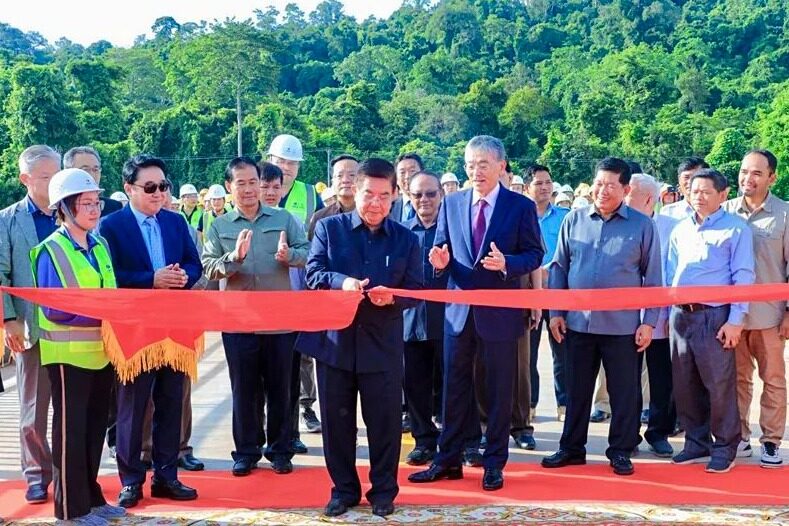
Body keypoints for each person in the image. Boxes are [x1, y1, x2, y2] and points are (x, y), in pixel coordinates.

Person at [409, 135, 544, 491]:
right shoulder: (451, 203)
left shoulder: (520, 206)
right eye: (470, 165)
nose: (476, 172)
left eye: (483, 164)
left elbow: (534, 254)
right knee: (453, 388)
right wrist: (439, 263)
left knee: (499, 389)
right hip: (458, 312)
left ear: (501, 166)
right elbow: (443, 249)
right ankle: (447, 459)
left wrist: (507, 264)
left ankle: (494, 462)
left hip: (500, 313)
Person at [299, 158, 421, 518]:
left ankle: (383, 490)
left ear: (395, 196)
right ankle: (344, 490)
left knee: (384, 424)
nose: (375, 203)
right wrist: (343, 283)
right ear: (356, 189)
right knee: (337, 424)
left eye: (384, 196)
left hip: (382, 344)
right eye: (369, 194)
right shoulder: (329, 229)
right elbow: (314, 274)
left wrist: (394, 296)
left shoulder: (406, 239)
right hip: (335, 343)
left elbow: (416, 289)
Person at [542, 157, 662, 477]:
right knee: (577, 388)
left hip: (623, 326)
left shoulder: (642, 225)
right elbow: (559, 268)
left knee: (624, 392)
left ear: (625, 189)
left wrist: (649, 322)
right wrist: (555, 312)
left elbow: (653, 278)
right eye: (598, 183)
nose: (602, 190)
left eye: (610, 185)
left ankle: (620, 450)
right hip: (578, 323)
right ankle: (571, 448)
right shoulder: (574, 220)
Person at [99, 154, 202, 508]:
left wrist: (183, 276)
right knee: (132, 408)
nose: (159, 193)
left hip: (174, 330)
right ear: (129, 189)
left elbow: (195, 262)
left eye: (164, 185)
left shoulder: (175, 223)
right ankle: (130, 480)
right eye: (150, 187)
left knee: (172, 404)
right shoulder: (111, 227)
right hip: (135, 332)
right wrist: (151, 280)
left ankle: (167, 476)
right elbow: (109, 277)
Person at [202, 156, 309, 476]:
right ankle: (246, 451)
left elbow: (307, 253)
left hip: (280, 322)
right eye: (241, 183)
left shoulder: (285, 218)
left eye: (253, 182)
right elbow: (208, 266)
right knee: (244, 389)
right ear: (228, 187)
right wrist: (233, 258)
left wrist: (288, 256)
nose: (249, 189)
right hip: (238, 322)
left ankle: (279, 450)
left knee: (280, 389)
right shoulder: (220, 226)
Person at [32, 168, 126, 525]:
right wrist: (99, 313)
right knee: (70, 434)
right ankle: (70, 510)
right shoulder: (50, 250)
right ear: (65, 208)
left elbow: (111, 293)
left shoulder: (99, 245)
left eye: (96, 202)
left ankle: (91, 498)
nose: (94, 209)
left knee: (93, 431)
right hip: (67, 357)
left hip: (102, 353)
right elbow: (55, 308)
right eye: (86, 203)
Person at [667, 168, 755, 473]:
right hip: (680, 316)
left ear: (723, 194)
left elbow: (743, 277)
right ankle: (696, 442)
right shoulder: (680, 229)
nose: (698, 197)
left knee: (719, 385)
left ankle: (725, 446)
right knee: (684, 383)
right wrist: (667, 312)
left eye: (705, 191)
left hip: (714, 316)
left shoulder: (736, 229)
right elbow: (670, 273)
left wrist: (735, 321)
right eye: (693, 191)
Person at [0, 145, 60, 504]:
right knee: (33, 409)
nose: (54, 183)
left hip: (74, 328)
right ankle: (37, 475)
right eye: (45, 177)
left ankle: (72, 472)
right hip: (30, 327)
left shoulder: (72, 212)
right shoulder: (7, 220)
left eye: (57, 174)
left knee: (72, 407)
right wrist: (9, 320)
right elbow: (1, 274)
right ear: (25, 179)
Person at [723, 149, 788, 467]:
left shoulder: (784, 215)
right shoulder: (724, 211)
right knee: (736, 379)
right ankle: (739, 437)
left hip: (769, 316)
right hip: (731, 317)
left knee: (773, 379)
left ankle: (772, 441)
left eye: (757, 173)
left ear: (772, 177)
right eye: (744, 171)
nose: (748, 178)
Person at [624, 173, 677, 457]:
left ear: (647, 199)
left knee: (661, 379)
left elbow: (672, 273)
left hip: (660, 317)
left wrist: (666, 313)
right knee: (627, 379)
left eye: (627, 193)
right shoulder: (620, 223)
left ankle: (658, 432)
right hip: (626, 318)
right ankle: (627, 433)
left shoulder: (672, 227)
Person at [402, 171, 448, 466]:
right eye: (418, 195)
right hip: (409, 320)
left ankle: (460, 440)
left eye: (430, 194)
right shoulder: (401, 232)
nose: (424, 200)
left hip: (448, 321)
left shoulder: (454, 230)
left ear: (441, 195)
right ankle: (424, 440)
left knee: (453, 384)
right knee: (415, 385)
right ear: (409, 196)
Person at [524, 164, 570, 422]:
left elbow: (570, 251)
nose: (544, 187)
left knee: (561, 351)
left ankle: (564, 406)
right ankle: (529, 406)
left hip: (557, 291)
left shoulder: (564, 216)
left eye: (548, 182)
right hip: (529, 292)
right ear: (528, 187)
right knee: (528, 354)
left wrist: (550, 271)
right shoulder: (521, 215)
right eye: (539, 183)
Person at [267, 134, 324, 223]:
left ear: (298, 165)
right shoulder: (255, 191)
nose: (286, 167)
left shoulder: (310, 194)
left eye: (292, 163)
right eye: (281, 161)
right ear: (270, 161)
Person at [63, 146, 122, 218]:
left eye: (95, 170)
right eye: (85, 170)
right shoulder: (59, 209)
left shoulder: (114, 208)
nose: (91, 175)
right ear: (68, 173)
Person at [390, 153, 423, 223]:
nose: (407, 176)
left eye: (412, 171)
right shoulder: (389, 207)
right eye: (402, 172)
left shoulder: (435, 205)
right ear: (396, 179)